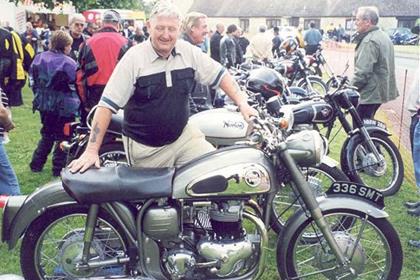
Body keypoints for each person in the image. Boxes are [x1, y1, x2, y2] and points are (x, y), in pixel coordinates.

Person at [68, 1, 256, 173]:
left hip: (184, 138)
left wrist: (242, 103)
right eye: (160, 28)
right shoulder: (134, 58)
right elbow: (106, 105)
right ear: (149, 27)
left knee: (216, 174)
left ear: (179, 29)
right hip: (147, 149)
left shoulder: (189, 51)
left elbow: (221, 74)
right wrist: (92, 150)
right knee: (157, 206)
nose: (166, 35)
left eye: (171, 29)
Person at [29, 31, 79, 177]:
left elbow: (32, 81)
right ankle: (58, 168)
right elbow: (75, 83)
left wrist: (39, 96)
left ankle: (36, 164)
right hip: (65, 106)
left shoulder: (39, 58)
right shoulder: (69, 63)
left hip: (45, 104)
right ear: (66, 46)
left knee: (47, 134)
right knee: (64, 137)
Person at [76, 10, 131, 124]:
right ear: (118, 24)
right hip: (119, 95)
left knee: (91, 133)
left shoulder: (86, 43)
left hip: (94, 96)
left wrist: (85, 104)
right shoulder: (128, 44)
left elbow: (79, 77)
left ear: (102, 24)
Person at [351, 6, 399, 120]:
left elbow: (362, 73)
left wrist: (349, 88)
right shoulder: (383, 36)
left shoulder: (370, 41)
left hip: (369, 94)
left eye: (358, 20)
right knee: (368, 125)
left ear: (367, 22)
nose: (355, 23)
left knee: (361, 129)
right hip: (379, 92)